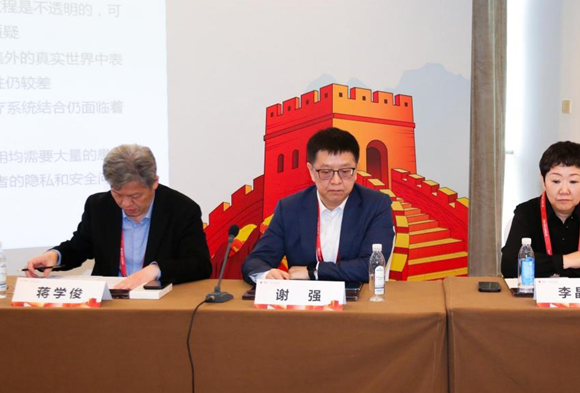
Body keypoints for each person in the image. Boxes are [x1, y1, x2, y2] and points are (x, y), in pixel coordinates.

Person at [26, 144, 212, 288]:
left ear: (154, 182)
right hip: (110, 303)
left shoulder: (181, 209)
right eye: (117, 194)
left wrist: (156, 270)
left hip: (159, 304)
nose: (125, 204)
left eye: (135, 196)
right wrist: (55, 256)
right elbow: (79, 247)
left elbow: (200, 264)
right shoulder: (99, 206)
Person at [242, 127, 395, 283]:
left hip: (356, 296)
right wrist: (266, 274)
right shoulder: (289, 208)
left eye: (345, 171)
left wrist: (314, 271)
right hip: (304, 297)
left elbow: (372, 266)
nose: (336, 181)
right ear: (311, 171)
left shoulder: (376, 205)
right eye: (326, 172)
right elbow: (256, 261)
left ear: (356, 170)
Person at [501, 141, 580, 278]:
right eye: (556, 181)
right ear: (543, 181)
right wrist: (566, 261)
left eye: (573, 181)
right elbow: (509, 265)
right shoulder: (526, 212)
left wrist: (551, 267)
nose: (564, 190)